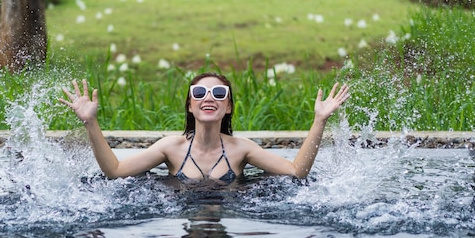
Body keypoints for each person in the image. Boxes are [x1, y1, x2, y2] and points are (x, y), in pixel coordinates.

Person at [60, 72, 349, 182]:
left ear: (229, 106)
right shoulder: (171, 148)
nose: (208, 98)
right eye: (199, 93)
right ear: (190, 105)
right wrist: (90, 122)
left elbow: (297, 171)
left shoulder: (241, 150)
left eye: (219, 94)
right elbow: (115, 171)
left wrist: (319, 120)